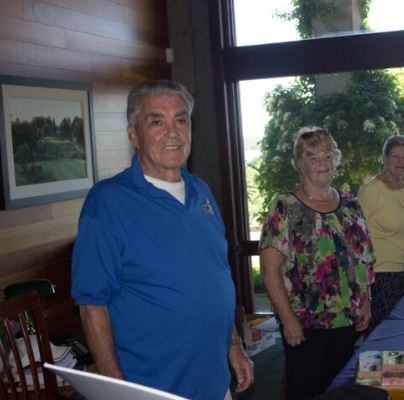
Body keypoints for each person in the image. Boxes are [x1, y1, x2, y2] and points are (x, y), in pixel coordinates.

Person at [71, 79, 253, 400]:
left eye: (181, 120)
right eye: (157, 122)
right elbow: (92, 305)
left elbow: (215, 275)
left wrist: (233, 344)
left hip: (214, 383)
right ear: (134, 135)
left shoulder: (201, 191)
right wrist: (119, 391)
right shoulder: (108, 203)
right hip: (154, 389)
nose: (173, 133)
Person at [259, 127, 375, 400]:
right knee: (304, 391)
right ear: (301, 165)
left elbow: (363, 258)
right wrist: (288, 320)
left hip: (347, 319)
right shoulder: (285, 207)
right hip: (305, 323)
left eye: (327, 156)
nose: (322, 163)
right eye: (313, 158)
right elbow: (269, 270)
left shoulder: (351, 204)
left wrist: (366, 300)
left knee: (338, 389)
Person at [357, 135, 404, 331]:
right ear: (385, 158)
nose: (400, 162)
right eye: (395, 156)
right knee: (384, 333)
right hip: (382, 275)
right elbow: (357, 236)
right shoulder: (370, 191)